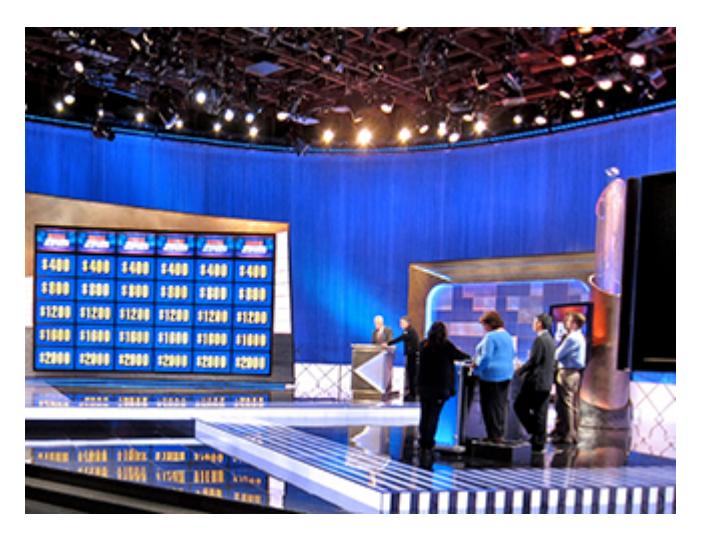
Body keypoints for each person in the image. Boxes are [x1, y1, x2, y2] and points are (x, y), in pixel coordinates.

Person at [417, 321, 470, 466]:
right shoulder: (446, 346)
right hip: (439, 388)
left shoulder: (424, 345)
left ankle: (423, 442)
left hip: (424, 387)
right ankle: (429, 443)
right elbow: (462, 356)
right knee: (433, 416)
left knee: (425, 415)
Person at [514, 313, 556, 452]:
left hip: (536, 382)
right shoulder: (550, 340)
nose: (532, 324)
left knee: (519, 406)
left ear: (539, 324)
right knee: (540, 412)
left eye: (534, 321)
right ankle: (539, 439)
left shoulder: (540, 340)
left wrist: (520, 370)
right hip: (546, 382)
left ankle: (536, 433)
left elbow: (534, 361)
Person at [472, 310, 515, 443]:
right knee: (500, 406)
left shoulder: (490, 337)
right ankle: (498, 434)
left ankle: (493, 435)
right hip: (506, 375)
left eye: (484, 325)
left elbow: (486, 357)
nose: (484, 328)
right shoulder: (507, 335)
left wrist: (477, 370)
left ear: (489, 324)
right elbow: (512, 354)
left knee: (489, 407)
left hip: (491, 376)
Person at [550, 311, 587, 445]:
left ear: (575, 324)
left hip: (567, 373)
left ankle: (569, 435)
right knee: (569, 404)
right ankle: (567, 432)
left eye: (568, 321)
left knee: (566, 404)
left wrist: (560, 341)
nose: (566, 323)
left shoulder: (572, 338)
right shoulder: (580, 337)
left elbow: (557, 355)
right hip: (574, 373)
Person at [384, 316, 420, 401]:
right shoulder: (408, 331)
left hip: (412, 356)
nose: (400, 324)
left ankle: (413, 394)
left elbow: (400, 338)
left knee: (412, 375)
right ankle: (411, 393)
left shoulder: (409, 331)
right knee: (410, 374)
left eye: (402, 323)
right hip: (410, 355)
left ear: (407, 323)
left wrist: (388, 343)